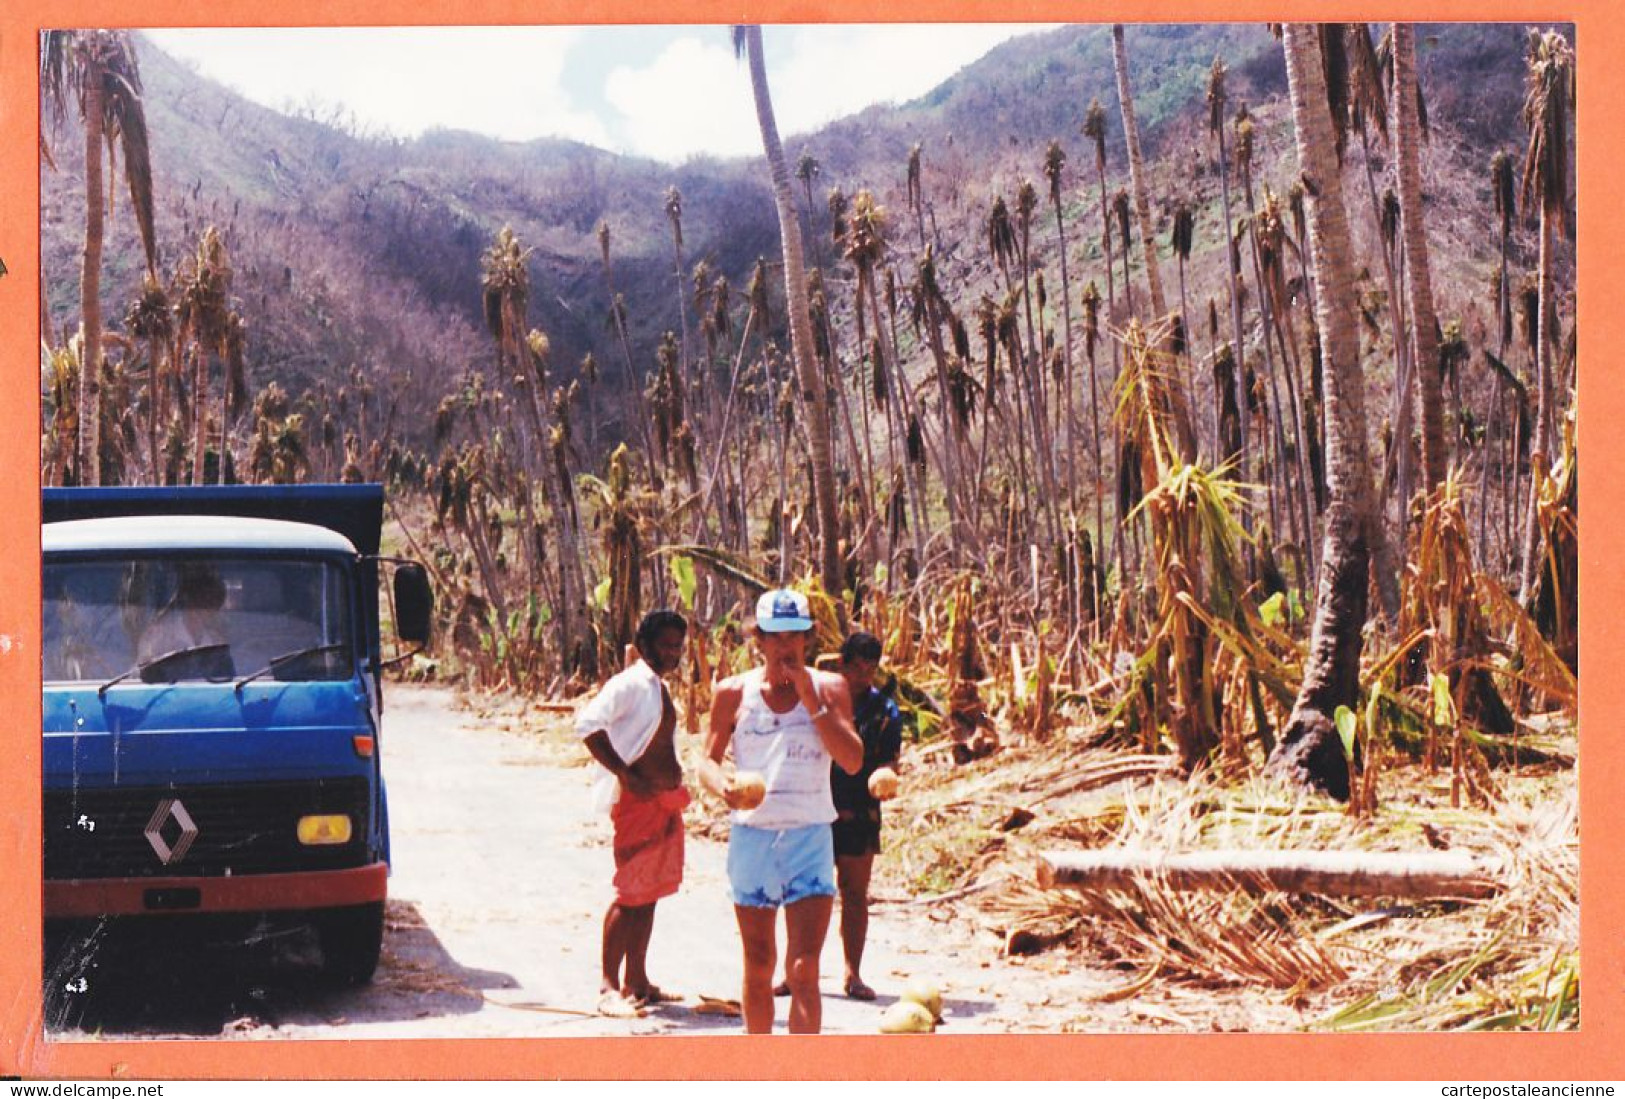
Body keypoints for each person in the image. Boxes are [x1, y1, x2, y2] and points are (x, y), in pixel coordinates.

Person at [699, 589, 863, 1034]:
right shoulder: (734, 693)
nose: (784, 645)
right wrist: (724, 787)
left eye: (794, 635)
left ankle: (801, 1067)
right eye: (775, 635)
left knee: (804, 968)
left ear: (809, 637)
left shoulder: (830, 688)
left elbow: (852, 760)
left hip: (809, 836)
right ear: (759, 639)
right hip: (754, 838)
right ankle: (761, 1062)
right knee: (759, 964)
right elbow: (706, 761)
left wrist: (813, 703)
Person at [577, 609, 689, 1016]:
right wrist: (624, 773)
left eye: (677, 646)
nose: (672, 653)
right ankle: (608, 986)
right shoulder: (629, 683)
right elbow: (588, 725)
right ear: (643, 645)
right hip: (636, 805)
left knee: (649, 894)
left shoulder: (656, 686)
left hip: (662, 803)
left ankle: (637, 980)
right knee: (630, 894)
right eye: (665, 645)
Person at [137, 561, 234, 676]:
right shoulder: (159, 635)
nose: (209, 612)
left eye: (214, 606)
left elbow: (227, 676)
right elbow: (140, 675)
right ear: (189, 603)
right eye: (203, 604)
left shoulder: (215, 640)